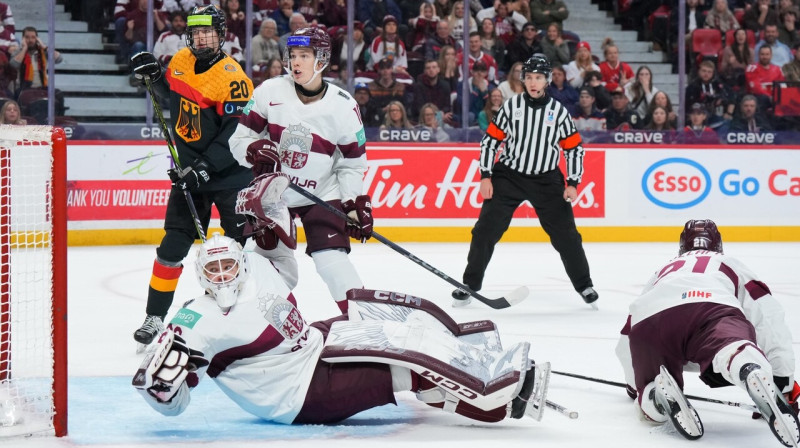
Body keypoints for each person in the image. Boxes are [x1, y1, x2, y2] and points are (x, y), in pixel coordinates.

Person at [132, 230, 553, 426]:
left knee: (401, 321)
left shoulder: (257, 265)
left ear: (240, 263)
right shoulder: (195, 319)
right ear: (201, 276)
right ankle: (498, 402)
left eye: (227, 265)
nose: (222, 274)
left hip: (313, 343)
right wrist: (161, 392)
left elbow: (276, 240)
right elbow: (175, 402)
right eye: (213, 268)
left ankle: (472, 354)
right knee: (403, 366)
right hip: (293, 394)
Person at [128, 4, 254, 346]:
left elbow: (235, 134)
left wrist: (204, 168)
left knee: (239, 250)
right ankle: (154, 318)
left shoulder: (234, 78)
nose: (201, 37)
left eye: (208, 32)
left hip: (230, 175)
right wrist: (151, 77)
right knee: (172, 246)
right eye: (196, 32)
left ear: (221, 34)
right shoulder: (180, 61)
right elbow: (168, 97)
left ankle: (246, 316)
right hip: (189, 174)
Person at [615, 219, 800, 444]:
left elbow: (628, 332)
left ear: (682, 246)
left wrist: (635, 385)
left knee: (648, 397)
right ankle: (746, 364)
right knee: (729, 346)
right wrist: (782, 382)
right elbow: (769, 318)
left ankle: (655, 395)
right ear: (718, 245)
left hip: (651, 320)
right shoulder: (728, 262)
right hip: (710, 308)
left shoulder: (663, 270)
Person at [229, 26, 372, 315]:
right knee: (266, 266)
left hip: (322, 191)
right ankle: (259, 325)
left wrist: (353, 203)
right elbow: (238, 140)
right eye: (292, 55)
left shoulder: (344, 105)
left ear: (321, 59)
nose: (295, 62)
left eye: (304, 56)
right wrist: (252, 150)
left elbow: (352, 163)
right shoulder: (270, 91)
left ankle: (362, 319)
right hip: (274, 194)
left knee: (332, 260)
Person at [452, 54, 598, 309]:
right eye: (529, 77)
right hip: (509, 176)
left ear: (547, 81)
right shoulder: (511, 106)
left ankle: (585, 285)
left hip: (547, 180)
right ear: (523, 79)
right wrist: (485, 175)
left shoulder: (559, 112)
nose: (533, 82)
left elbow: (574, 148)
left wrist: (573, 182)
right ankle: (470, 284)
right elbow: (490, 142)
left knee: (567, 236)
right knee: (485, 230)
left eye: (538, 78)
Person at [9, 26, 63, 95]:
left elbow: (59, 59)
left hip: (42, 87)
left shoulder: (43, 51)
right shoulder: (18, 52)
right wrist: (24, 49)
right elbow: (13, 65)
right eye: (27, 37)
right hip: (24, 88)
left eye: (33, 37)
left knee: (59, 94)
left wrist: (44, 46)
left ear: (37, 39)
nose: (30, 40)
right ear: (23, 39)